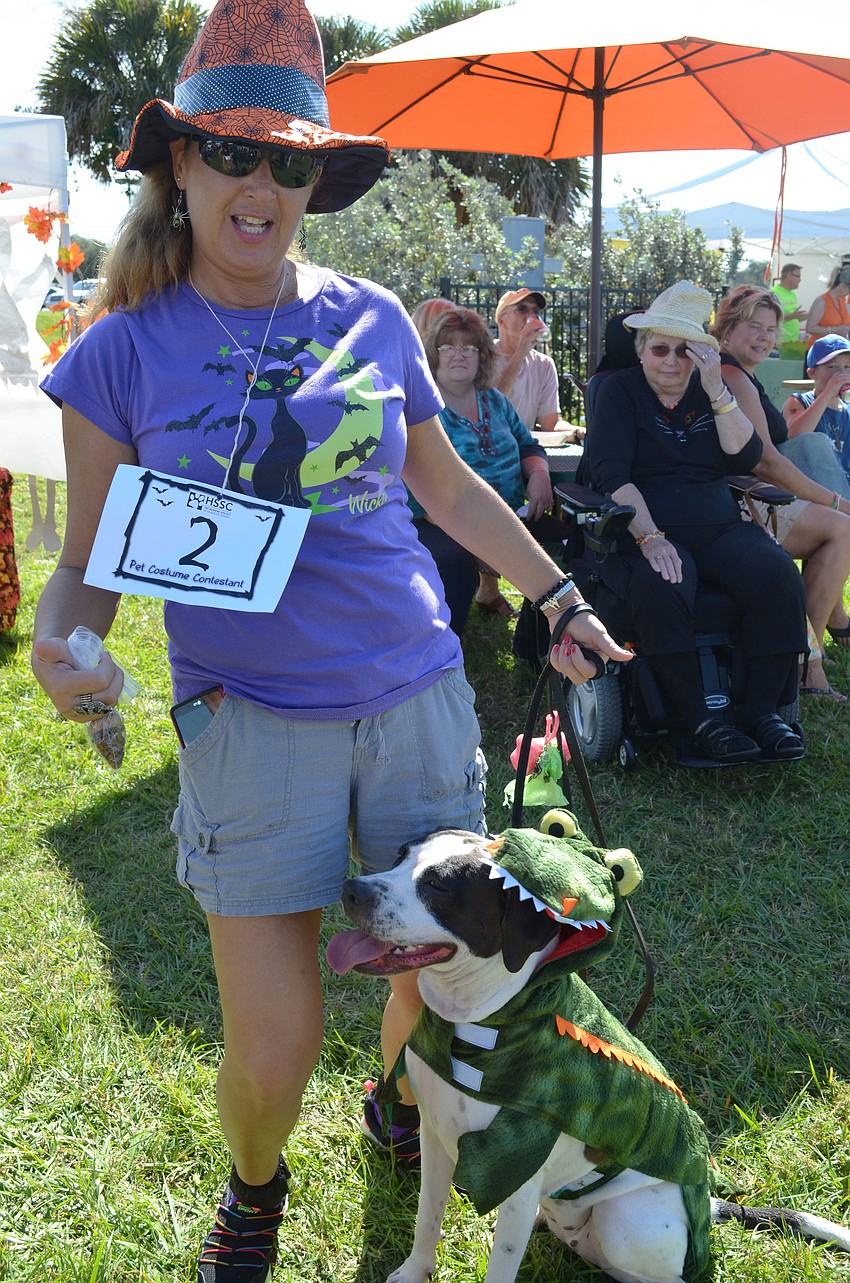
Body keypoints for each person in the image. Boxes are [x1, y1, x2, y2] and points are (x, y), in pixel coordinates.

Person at [29, 3, 630, 1281]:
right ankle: (256, 1189)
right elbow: (86, 560)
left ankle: (396, 1103)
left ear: (316, 181)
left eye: (291, 162)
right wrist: (59, 644)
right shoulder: (119, 352)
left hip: (414, 693)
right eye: (235, 155)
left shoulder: (370, 315)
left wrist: (561, 596)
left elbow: (451, 491)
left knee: (421, 980)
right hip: (249, 719)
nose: (263, 184)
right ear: (178, 164)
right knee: (272, 1044)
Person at [584, 280, 808, 764]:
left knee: (778, 576)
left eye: (684, 351)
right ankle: (698, 719)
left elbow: (746, 455)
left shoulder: (713, 390)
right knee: (665, 578)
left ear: (700, 355)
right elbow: (609, 473)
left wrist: (716, 392)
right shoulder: (619, 391)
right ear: (642, 351)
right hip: (649, 523)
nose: (671, 360)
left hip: (718, 525)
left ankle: (762, 712)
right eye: (659, 349)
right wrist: (649, 537)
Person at [714, 285, 850, 696]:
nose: (764, 337)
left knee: (839, 529)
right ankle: (804, 663)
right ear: (726, 330)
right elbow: (764, 461)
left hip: (755, 495)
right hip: (741, 502)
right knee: (842, 528)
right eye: (754, 327)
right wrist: (835, 501)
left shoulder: (739, 373)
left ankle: (813, 649)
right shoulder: (731, 374)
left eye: (771, 330)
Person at [409, 306, 566, 631]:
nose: (459, 355)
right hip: (442, 521)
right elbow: (419, 487)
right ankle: (445, 651)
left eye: (469, 348)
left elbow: (528, 445)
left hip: (512, 515)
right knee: (455, 564)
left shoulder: (494, 400)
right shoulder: (423, 409)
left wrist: (538, 473)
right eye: (448, 347)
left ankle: (534, 640)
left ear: (482, 356)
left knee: (568, 544)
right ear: (433, 354)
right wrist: (480, 540)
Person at [493, 287, 585, 442]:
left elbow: (551, 424)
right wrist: (521, 352)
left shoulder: (544, 364)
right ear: (502, 320)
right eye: (522, 309)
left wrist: (579, 432)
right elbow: (491, 408)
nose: (532, 317)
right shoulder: (479, 357)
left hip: (521, 452)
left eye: (536, 312)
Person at [784, 334, 850, 491]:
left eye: (847, 367)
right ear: (812, 372)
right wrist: (827, 394)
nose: (841, 373)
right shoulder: (798, 402)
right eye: (832, 367)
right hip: (816, 487)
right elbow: (796, 435)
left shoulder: (846, 409)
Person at [805, 264, 850, 346]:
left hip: (836, 350)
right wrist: (834, 330)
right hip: (819, 350)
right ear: (843, 285)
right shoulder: (821, 301)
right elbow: (810, 328)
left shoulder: (842, 300)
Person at [772, 263, 807, 358]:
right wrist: (793, 316)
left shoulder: (792, 294)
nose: (800, 280)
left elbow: (793, 318)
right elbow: (770, 319)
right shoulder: (774, 293)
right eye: (798, 276)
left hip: (791, 343)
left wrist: (808, 315)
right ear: (789, 275)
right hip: (778, 345)